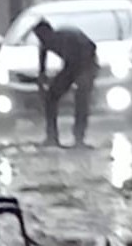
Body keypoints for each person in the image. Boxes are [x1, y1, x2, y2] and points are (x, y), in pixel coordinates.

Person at [32, 18, 98, 148]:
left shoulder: (65, 37)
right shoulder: (45, 42)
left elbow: (91, 48)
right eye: (40, 38)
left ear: (50, 32)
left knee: (81, 98)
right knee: (51, 97)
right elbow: (42, 67)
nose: (43, 41)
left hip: (88, 63)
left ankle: (79, 138)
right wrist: (42, 81)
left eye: (44, 37)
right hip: (71, 66)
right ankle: (51, 136)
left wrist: (82, 78)